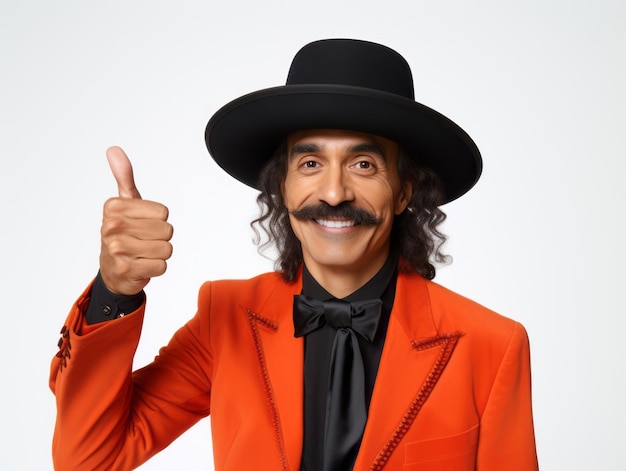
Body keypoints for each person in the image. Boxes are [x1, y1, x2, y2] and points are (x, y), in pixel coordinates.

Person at [50, 39, 538, 471]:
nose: (332, 193)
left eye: (363, 164)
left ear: (405, 191)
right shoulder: (225, 319)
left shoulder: (492, 346)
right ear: (282, 186)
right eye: (309, 163)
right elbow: (90, 459)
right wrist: (114, 291)